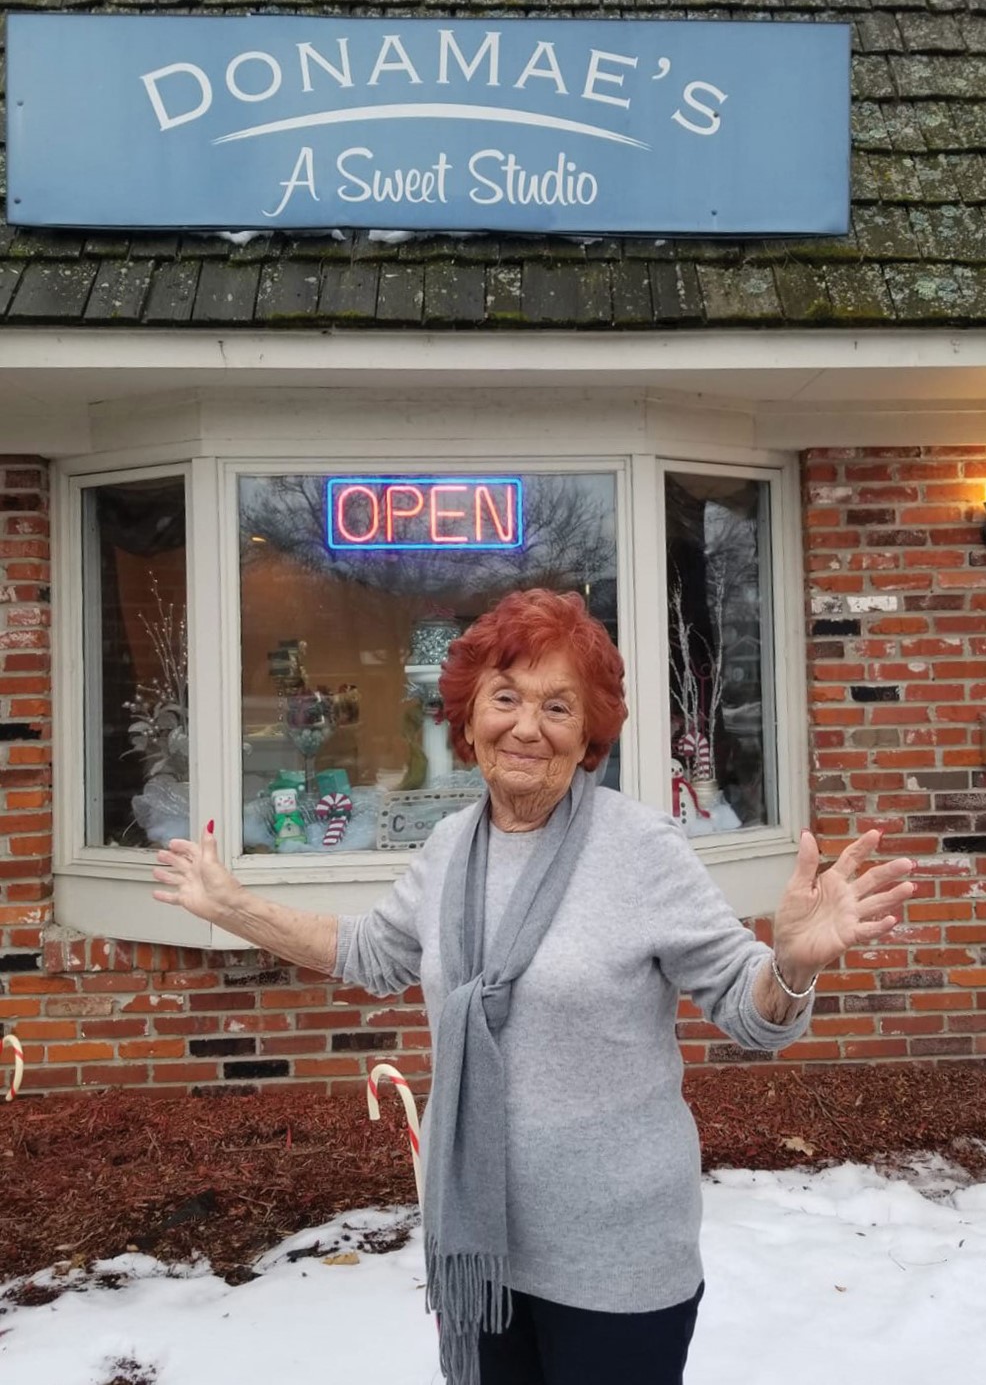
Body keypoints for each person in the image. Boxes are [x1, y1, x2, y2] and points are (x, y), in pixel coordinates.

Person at [153, 588, 914, 1385]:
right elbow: (373, 951)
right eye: (505, 697)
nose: (525, 725)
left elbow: (748, 1008)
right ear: (468, 715)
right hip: (483, 1253)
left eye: (557, 706)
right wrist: (233, 905)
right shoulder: (451, 845)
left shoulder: (639, 848)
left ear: (589, 733)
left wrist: (791, 962)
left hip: (616, 1258)